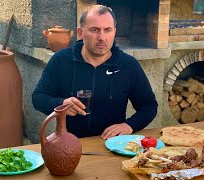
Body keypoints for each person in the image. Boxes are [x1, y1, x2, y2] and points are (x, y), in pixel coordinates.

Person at [32, 5, 158, 140]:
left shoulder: (128, 65)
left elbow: (149, 106)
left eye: (107, 30)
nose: (102, 37)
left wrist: (130, 125)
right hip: (70, 143)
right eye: (94, 30)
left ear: (114, 31)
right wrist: (60, 104)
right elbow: (38, 98)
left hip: (112, 144)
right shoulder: (61, 60)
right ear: (80, 33)